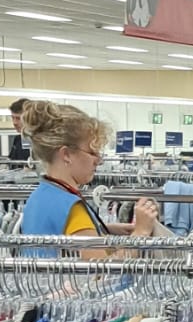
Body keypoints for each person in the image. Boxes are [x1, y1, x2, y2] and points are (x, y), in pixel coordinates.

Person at [17, 101, 161, 239]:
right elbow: (103, 264)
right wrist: (141, 231)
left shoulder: (39, 196)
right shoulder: (72, 208)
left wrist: (103, 229)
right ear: (66, 154)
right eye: (92, 153)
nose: (99, 160)